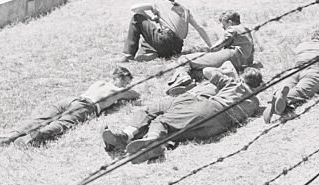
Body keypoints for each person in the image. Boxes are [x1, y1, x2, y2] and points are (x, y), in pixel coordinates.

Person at [101, 62, 263, 163]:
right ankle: (126, 137)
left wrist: (223, 73)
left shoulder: (231, 83)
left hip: (202, 106)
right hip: (208, 115)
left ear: (240, 77)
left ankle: (151, 141)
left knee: (163, 121)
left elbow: (209, 71)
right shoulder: (253, 101)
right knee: (152, 113)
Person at [0, 65, 139, 146]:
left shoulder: (100, 82)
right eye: (125, 81)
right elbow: (135, 95)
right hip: (87, 106)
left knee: (43, 118)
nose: (127, 84)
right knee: (63, 123)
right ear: (118, 78)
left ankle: (13, 134)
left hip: (72, 99)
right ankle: (33, 137)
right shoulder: (118, 91)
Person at [264, 29, 319, 123]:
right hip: (313, 71)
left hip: (296, 70)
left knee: (287, 85)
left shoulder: (301, 46)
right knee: (301, 90)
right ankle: (284, 100)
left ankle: (277, 97)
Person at [164, 11, 255, 94]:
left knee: (185, 59)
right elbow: (251, 54)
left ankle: (182, 80)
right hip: (240, 63)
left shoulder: (233, 29)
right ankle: (192, 81)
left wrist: (205, 51)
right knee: (197, 68)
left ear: (230, 22)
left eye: (224, 26)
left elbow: (216, 47)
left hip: (230, 55)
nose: (223, 28)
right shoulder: (246, 29)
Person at [119, 0, 213, 61]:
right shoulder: (185, 9)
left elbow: (134, 9)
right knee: (153, 32)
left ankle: (128, 54)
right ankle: (153, 53)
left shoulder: (161, 4)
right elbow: (199, 28)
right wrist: (211, 46)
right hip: (177, 48)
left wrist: (150, 17)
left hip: (165, 41)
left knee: (137, 18)